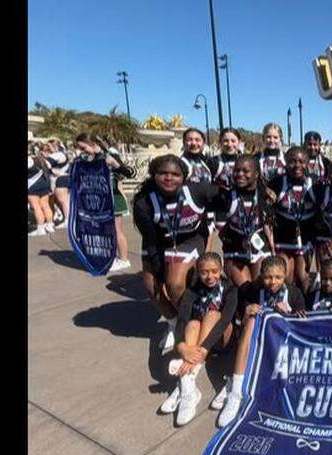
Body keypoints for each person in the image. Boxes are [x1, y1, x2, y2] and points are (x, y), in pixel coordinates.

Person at [132, 154, 221, 354]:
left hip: (189, 239)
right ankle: (174, 322)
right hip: (158, 243)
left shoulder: (197, 191)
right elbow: (150, 239)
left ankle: (190, 322)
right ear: (154, 175)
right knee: (151, 286)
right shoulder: (143, 202)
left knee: (175, 283)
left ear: (184, 177)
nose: (169, 178)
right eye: (163, 173)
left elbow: (225, 195)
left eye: (175, 174)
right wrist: (157, 266)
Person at [216, 255, 306, 427]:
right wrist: (246, 309)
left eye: (278, 277)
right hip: (257, 345)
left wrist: (287, 314)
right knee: (251, 319)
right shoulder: (252, 289)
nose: (273, 282)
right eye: (268, 277)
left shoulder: (294, 293)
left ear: (286, 275)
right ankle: (236, 391)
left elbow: (302, 325)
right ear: (260, 276)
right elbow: (238, 316)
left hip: (283, 347)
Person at [160, 252, 238, 426]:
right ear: (198, 272)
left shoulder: (230, 289)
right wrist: (181, 346)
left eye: (214, 271)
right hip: (198, 343)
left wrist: (203, 349)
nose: (210, 276)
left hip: (222, 339)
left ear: (221, 270)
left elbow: (225, 319)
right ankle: (188, 388)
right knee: (193, 323)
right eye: (204, 272)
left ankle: (188, 371)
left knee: (212, 315)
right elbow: (182, 320)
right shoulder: (192, 291)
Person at [73, 133, 135, 271]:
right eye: (79, 148)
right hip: (96, 201)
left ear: (93, 144)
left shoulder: (109, 154)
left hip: (113, 198)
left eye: (83, 148)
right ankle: (108, 256)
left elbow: (129, 173)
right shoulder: (85, 160)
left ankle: (124, 259)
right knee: (102, 230)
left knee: (116, 230)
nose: (81, 151)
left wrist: (114, 163)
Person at [217, 155, 275, 286]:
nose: (240, 174)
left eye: (245, 171)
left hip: (259, 249)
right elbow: (221, 231)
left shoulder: (265, 196)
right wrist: (239, 240)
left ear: (256, 174)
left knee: (261, 287)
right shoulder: (226, 197)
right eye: (236, 170)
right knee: (245, 289)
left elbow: (268, 224)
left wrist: (272, 249)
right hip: (235, 251)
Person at [266, 146, 317, 290]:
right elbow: (259, 188)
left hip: (305, 237)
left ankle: (304, 307)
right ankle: (287, 308)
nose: (297, 166)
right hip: (283, 238)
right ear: (286, 162)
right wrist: (266, 191)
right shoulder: (277, 182)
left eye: (301, 161)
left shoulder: (315, 182)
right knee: (286, 278)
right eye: (292, 161)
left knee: (303, 277)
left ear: (307, 163)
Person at [27, 143, 55, 236]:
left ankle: (40, 228)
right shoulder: (41, 159)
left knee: (36, 207)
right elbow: (50, 168)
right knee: (45, 205)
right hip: (44, 184)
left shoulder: (29, 160)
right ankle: (50, 225)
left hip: (33, 185)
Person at [42, 139, 71, 227]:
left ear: (55, 146)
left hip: (61, 179)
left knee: (63, 201)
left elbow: (45, 163)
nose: (48, 147)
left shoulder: (58, 154)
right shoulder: (60, 154)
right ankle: (65, 218)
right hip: (62, 178)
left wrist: (50, 170)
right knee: (60, 201)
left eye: (50, 145)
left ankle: (67, 220)